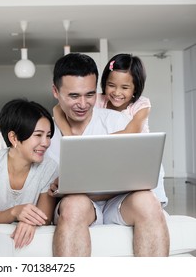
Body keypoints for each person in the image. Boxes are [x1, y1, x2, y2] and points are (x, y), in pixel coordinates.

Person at [47, 53, 169, 256]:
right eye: (74, 96)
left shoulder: (118, 121)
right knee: (74, 204)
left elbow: (139, 174)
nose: (83, 104)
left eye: (89, 94)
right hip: (79, 206)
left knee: (148, 201)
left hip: (117, 203)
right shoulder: (44, 132)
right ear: (55, 91)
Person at [52, 53, 168, 204]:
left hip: (137, 149)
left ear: (135, 89)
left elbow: (129, 134)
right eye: (111, 85)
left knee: (147, 192)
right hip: (112, 155)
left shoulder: (141, 106)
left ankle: (157, 202)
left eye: (125, 87)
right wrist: (72, 139)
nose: (117, 93)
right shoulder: (100, 99)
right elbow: (57, 109)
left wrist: (91, 146)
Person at [0, 98, 58, 249]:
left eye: (48, 135)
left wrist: (29, 220)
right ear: (14, 138)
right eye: (38, 135)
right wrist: (15, 212)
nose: (46, 143)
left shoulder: (50, 168)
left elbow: (45, 218)